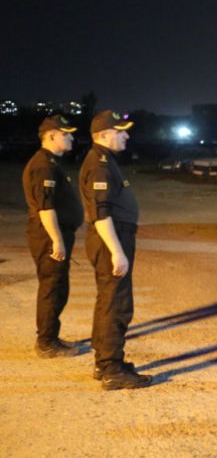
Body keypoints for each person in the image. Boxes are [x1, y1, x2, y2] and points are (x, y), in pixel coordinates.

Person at [79, 110, 151, 390]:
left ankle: (105, 362)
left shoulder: (105, 160)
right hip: (111, 237)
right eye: (121, 131)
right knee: (117, 303)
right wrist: (116, 251)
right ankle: (112, 368)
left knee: (108, 300)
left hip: (113, 236)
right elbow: (101, 213)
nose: (126, 135)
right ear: (103, 135)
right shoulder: (99, 165)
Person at [21, 114, 84, 358]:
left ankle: (51, 336)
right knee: (52, 287)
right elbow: (45, 208)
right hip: (48, 235)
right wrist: (57, 240)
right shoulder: (43, 166)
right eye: (66, 134)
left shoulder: (51, 163)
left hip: (55, 233)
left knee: (59, 287)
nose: (71, 138)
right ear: (51, 136)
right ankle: (46, 343)